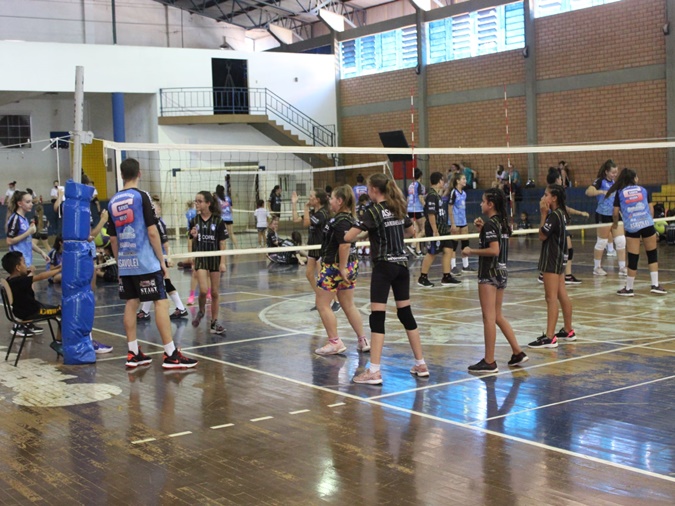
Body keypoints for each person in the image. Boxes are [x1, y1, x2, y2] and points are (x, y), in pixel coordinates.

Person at [107, 158, 198, 369]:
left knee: (131, 303)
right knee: (161, 302)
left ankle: (133, 352)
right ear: (139, 173)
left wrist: (120, 263)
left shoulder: (112, 201)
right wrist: (161, 259)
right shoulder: (142, 196)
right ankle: (171, 354)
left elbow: (113, 239)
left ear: (121, 175)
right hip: (146, 261)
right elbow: (152, 231)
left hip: (126, 262)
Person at [346, 173, 429, 384]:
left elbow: (348, 236)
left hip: (383, 266)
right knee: (406, 314)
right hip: (401, 265)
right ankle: (421, 364)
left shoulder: (372, 211)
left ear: (374, 190)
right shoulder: (397, 207)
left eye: (368, 188)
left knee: (377, 317)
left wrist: (365, 233)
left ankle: (374, 371)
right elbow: (411, 231)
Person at [462, 188, 528, 372]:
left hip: (489, 274)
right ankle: (517, 352)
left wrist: (471, 251)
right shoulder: (502, 223)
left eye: (483, 201)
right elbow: (496, 241)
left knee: (489, 317)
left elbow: (494, 250)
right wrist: (482, 230)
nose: (481, 204)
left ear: (490, 204)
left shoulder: (492, 224)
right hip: (502, 272)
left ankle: (489, 361)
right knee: (497, 315)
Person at [313, 185, 367, 356]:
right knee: (348, 304)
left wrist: (341, 268)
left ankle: (334, 342)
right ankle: (362, 340)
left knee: (322, 304)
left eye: (332, 198)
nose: (330, 201)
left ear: (340, 201)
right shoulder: (350, 219)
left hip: (335, 266)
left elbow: (344, 245)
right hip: (349, 265)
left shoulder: (341, 221)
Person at [529, 185, 575, 349]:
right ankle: (568, 330)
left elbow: (542, 235)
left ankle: (550, 337)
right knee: (562, 293)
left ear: (554, 198)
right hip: (560, 257)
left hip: (552, 258)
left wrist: (543, 214)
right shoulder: (561, 213)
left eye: (546, 194)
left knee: (551, 297)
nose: (543, 197)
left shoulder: (554, 215)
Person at [609, 168, 667, 296]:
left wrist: (615, 223)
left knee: (633, 257)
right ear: (634, 178)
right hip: (647, 224)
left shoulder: (620, 192)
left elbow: (615, 212)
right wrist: (649, 221)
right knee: (652, 254)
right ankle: (655, 285)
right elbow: (651, 209)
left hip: (632, 226)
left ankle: (629, 288)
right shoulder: (643, 190)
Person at [137, 195, 189, 321]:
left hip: (160, 257)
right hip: (152, 257)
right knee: (154, 283)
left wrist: (168, 258)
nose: (152, 210)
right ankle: (146, 311)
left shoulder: (159, 223)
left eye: (154, 208)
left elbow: (165, 243)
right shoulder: (148, 222)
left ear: (159, 210)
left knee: (162, 282)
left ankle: (180, 308)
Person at [291, 189, 341, 312]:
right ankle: (320, 299)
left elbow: (306, 223)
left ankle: (336, 301)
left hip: (322, 248)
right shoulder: (314, 212)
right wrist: (294, 203)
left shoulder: (322, 214)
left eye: (311, 196)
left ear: (317, 200)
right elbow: (295, 219)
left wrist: (306, 207)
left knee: (323, 277)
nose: (309, 198)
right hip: (313, 247)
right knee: (309, 274)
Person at [2, 251, 63, 349]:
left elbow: (26, 276)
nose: (26, 265)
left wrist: (57, 268)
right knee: (63, 311)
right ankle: (60, 343)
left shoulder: (10, 280)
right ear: (18, 267)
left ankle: (59, 342)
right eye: (24, 263)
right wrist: (60, 270)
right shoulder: (21, 281)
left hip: (19, 312)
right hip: (33, 311)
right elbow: (41, 276)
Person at [538, 168, 589, 285]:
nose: (562, 180)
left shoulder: (556, 199)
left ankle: (564, 274)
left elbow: (564, 208)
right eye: (560, 178)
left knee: (566, 249)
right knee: (564, 249)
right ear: (557, 179)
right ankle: (557, 274)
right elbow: (542, 235)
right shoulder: (552, 198)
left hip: (556, 226)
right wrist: (580, 213)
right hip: (554, 227)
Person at [188, 190, 228, 334]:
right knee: (204, 290)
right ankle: (201, 311)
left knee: (215, 292)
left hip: (214, 258)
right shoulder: (194, 220)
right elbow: (191, 240)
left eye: (199, 201)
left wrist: (222, 262)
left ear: (208, 203)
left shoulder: (218, 221)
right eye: (196, 201)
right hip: (201, 258)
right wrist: (193, 237)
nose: (197, 204)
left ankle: (214, 323)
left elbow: (222, 243)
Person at [417, 172, 460, 288]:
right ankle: (422, 277)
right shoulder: (431, 195)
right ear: (439, 181)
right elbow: (431, 214)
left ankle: (446, 276)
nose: (444, 182)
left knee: (449, 249)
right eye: (443, 180)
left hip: (443, 228)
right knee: (432, 252)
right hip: (435, 229)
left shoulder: (437, 194)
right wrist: (435, 230)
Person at [585, 160, 627, 276]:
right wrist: (601, 192)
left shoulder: (615, 183)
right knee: (602, 242)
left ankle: (622, 267)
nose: (615, 174)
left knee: (621, 240)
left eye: (616, 172)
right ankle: (597, 267)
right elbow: (588, 192)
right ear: (606, 172)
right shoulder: (600, 181)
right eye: (612, 172)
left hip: (615, 214)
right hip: (603, 214)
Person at [7, 191, 50, 273]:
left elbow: (28, 241)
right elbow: (9, 241)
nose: (31, 204)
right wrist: (28, 232)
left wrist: (41, 252)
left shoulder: (25, 219)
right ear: (19, 203)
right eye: (28, 202)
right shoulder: (15, 218)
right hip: (18, 263)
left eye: (31, 202)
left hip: (26, 261)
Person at [448, 172, 475, 276]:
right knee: (453, 245)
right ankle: (453, 267)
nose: (465, 181)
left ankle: (465, 266)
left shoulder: (464, 193)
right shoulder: (453, 192)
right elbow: (450, 208)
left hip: (463, 221)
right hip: (455, 221)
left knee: (465, 243)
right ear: (458, 181)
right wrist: (453, 223)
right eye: (463, 179)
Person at [406, 168, 425, 257]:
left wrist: (406, 209)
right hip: (418, 209)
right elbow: (420, 197)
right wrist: (426, 206)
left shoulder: (410, 185)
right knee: (423, 230)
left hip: (410, 209)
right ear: (420, 176)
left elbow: (408, 198)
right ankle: (413, 245)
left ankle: (418, 251)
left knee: (416, 231)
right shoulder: (419, 185)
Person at [215, 183, 238, 249]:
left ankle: (223, 250)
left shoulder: (217, 199)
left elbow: (217, 209)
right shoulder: (228, 198)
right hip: (229, 219)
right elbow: (231, 209)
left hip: (221, 219)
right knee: (231, 234)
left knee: (222, 235)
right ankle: (237, 248)